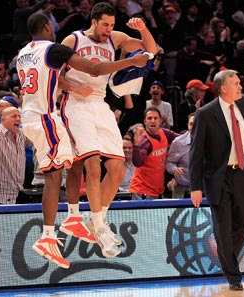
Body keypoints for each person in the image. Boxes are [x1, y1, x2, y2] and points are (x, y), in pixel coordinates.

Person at [18, 12, 149, 268]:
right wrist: (130, 63)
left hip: (35, 115)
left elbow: (53, 79)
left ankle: (74, 217)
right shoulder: (54, 49)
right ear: (47, 26)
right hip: (44, 117)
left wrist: (73, 87)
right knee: (57, 174)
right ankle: (48, 236)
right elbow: (96, 68)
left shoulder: (23, 52)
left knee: (74, 157)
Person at [60, 1, 157, 259]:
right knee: (92, 164)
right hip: (76, 104)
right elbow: (54, 75)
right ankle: (101, 227)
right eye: (105, 24)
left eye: (112, 25)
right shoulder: (73, 40)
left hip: (100, 103)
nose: (108, 29)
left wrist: (143, 28)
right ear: (93, 21)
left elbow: (151, 50)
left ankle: (96, 218)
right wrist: (71, 87)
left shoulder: (115, 38)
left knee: (116, 167)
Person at [189, 69, 244, 291]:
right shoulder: (205, 114)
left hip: (241, 172)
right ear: (223, 88)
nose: (241, 86)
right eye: (237, 83)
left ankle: (226, 256)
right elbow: (196, 154)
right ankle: (233, 276)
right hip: (217, 177)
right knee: (223, 227)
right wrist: (196, 187)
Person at [0, 104, 29, 204]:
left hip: (17, 194)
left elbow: (39, 136)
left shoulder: (21, 135)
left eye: (19, 116)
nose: (18, 119)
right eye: (14, 116)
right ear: (3, 120)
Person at [130, 107, 179, 200]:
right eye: (149, 118)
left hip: (157, 191)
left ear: (160, 121)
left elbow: (181, 140)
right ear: (145, 121)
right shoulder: (144, 141)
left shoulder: (165, 133)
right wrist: (136, 145)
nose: (152, 121)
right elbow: (138, 163)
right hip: (142, 192)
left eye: (155, 118)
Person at [166, 113, 194, 198]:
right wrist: (174, 169)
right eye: (191, 124)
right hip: (181, 187)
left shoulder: (210, 141)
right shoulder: (178, 143)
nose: (194, 127)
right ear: (188, 125)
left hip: (203, 186)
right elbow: (169, 162)